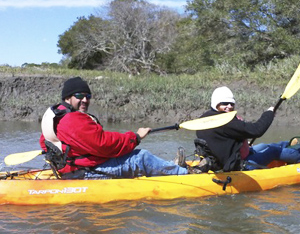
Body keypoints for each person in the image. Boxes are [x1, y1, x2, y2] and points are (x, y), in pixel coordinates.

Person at [39, 76, 188, 179]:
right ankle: (184, 175)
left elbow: (44, 143)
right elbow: (103, 144)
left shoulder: (56, 116)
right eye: (79, 96)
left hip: (74, 168)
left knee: (129, 155)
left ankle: (169, 167)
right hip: (87, 172)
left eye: (88, 96)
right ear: (67, 98)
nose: (85, 100)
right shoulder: (72, 119)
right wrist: (135, 137)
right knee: (141, 157)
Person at [194, 86, 300, 172]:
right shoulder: (226, 121)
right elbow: (257, 130)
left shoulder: (204, 118)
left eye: (231, 103)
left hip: (232, 157)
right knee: (273, 150)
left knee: (266, 145)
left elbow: (228, 137)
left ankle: (290, 146)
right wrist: (269, 113)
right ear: (215, 104)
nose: (229, 106)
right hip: (240, 166)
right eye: (224, 103)